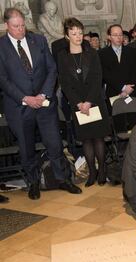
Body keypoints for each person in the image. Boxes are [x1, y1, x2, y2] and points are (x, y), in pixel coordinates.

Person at [0, 8, 82, 200]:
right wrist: (26, 98)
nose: (21, 29)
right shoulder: (1, 46)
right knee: (27, 148)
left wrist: (43, 93)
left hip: (44, 103)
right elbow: (3, 79)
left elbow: (51, 69)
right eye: (16, 26)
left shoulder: (39, 40)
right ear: (7, 26)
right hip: (19, 106)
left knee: (54, 144)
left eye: (22, 25)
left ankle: (62, 179)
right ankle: (34, 182)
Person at [57, 17, 111, 187]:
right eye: (74, 33)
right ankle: (92, 172)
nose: (78, 36)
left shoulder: (91, 53)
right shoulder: (62, 56)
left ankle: (102, 170)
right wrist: (79, 103)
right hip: (78, 104)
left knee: (98, 138)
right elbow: (64, 83)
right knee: (86, 140)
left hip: (94, 101)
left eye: (80, 33)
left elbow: (97, 78)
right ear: (67, 35)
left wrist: (88, 101)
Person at [99, 24, 136, 108]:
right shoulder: (102, 54)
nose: (119, 37)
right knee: (117, 119)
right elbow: (105, 74)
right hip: (114, 92)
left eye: (120, 35)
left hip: (132, 91)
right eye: (115, 35)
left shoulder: (132, 51)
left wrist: (128, 89)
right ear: (109, 37)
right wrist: (122, 87)